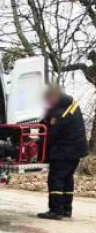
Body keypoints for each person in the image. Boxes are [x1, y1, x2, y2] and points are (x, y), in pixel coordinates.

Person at [37, 85, 88, 220]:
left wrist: (39, 147)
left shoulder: (60, 113)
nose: (47, 102)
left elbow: (52, 134)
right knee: (67, 178)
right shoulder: (70, 106)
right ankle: (66, 209)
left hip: (64, 152)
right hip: (75, 151)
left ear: (54, 97)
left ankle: (56, 210)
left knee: (56, 179)